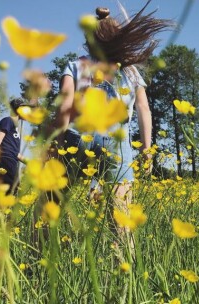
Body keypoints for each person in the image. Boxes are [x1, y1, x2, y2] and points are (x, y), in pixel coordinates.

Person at [52, 7, 170, 223]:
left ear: (88, 40)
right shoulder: (130, 71)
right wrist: (147, 149)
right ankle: (123, 253)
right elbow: (144, 110)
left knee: (51, 202)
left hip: (78, 135)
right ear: (119, 40)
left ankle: (35, 250)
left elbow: (64, 106)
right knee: (121, 213)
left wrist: (58, 145)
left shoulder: (76, 65)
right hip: (116, 141)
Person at [0, 98, 27, 194]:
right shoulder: (8, 121)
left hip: (12, 160)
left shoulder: (16, 129)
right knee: (9, 189)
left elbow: (15, 152)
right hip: (5, 159)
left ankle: (4, 208)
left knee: (13, 189)